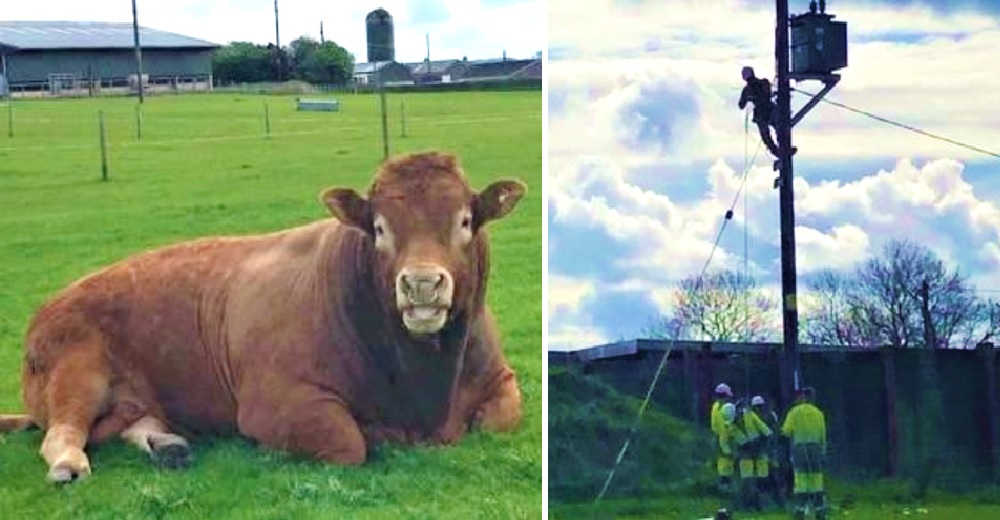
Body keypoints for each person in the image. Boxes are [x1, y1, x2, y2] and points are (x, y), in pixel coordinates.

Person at [781, 387, 828, 520]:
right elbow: (823, 436)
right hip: (816, 448)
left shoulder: (794, 412)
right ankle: (819, 512)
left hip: (800, 448)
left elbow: (786, 431)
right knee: (817, 480)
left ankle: (800, 512)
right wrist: (823, 452)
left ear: (802, 397)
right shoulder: (819, 413)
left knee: (801, 481)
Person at [738, 66, 795, 171]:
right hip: (766, 112)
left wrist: (750, 97)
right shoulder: (757, 85)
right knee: (776, 131)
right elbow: (741, 105)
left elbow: (742, 104)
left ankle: (781, 151)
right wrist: (748, 97)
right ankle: (781, 151)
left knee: (771, 135)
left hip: (765, 112)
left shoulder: (756, 86)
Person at [736, 397, 772, 510]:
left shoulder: (750, 416)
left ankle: (757, 505)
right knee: (750, 480)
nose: (759, 409)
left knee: (756, 480)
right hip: (752, 450)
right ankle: (754, 504)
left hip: (754, 451)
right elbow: (767, 432)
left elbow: (768, 432)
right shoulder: (750, 415)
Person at [752, 395, 787, 508]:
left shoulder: (768, 416)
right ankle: (768, 502)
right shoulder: (766, 416)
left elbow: (775, 432)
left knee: (773, 477)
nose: (758, 409)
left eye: (759, 406)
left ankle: (778, 501)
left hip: (768, 451)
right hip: (763, 452)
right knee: (765, 479)